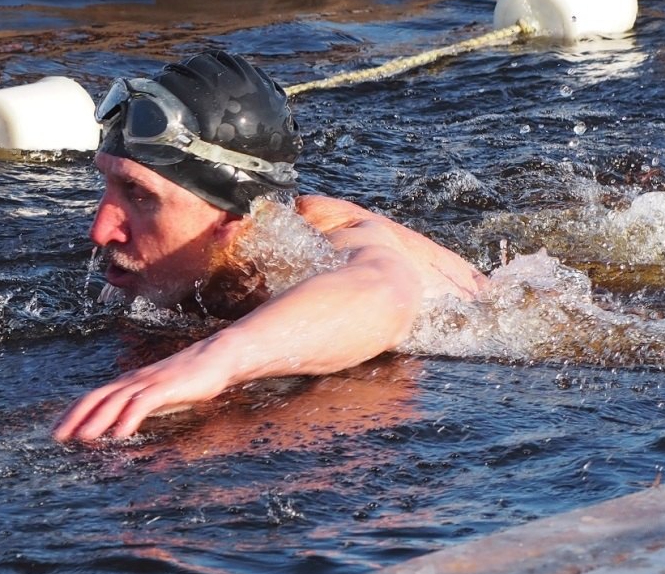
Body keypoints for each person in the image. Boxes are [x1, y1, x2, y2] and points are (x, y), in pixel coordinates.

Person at [52, 50, 487, 443]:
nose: (101, 231)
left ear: (232, 218)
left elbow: (386, 293)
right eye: (109, 185)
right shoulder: (145, 277)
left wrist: (214, 360)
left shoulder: (319, 242)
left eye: (141, 196)